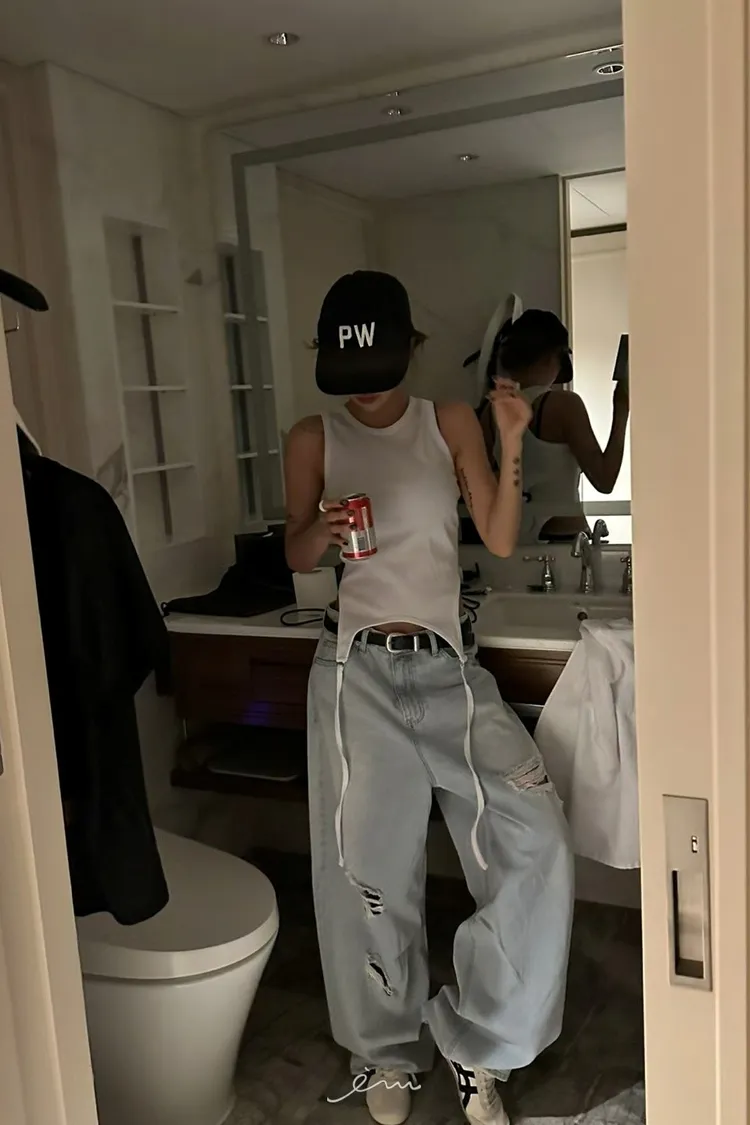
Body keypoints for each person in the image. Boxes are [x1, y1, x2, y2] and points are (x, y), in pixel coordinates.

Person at [284, 271, 574, 1125]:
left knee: (537, 837)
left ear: (409, 349)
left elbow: (501, 535)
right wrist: (321, 531)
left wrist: (510, 436)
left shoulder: (446, 421)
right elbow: (296, 553)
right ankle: (382, 1049)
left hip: (449, 667)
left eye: (378, 369)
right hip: (355, 672)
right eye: (349, 376)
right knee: (366, 874)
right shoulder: (313, 437)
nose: (366, 392)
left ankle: (478, 1040)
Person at [474, 310, 629, 543]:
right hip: (563, 540)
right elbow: (605, 480)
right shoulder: (563, 405)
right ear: (552, 358)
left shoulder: (490, 410)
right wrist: (621, 409)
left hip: (511, 541)